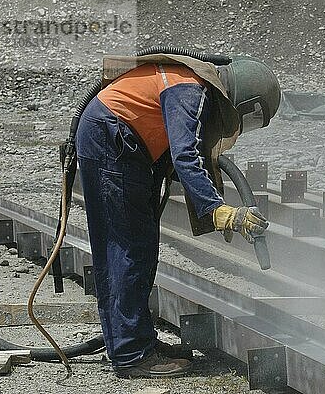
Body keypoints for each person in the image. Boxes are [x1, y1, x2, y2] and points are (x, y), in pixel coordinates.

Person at [75, 53, 281, 378]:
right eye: (250, 118)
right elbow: (186, 154)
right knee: (127, 251)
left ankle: (138, 343)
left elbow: (189, 152)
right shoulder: (189, 88)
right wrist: (219, 211)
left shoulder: (193, 86)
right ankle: (131, 355)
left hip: (120, 141)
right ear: (243, 100)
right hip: (111, 139)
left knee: (139, 249)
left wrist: (212, 203)